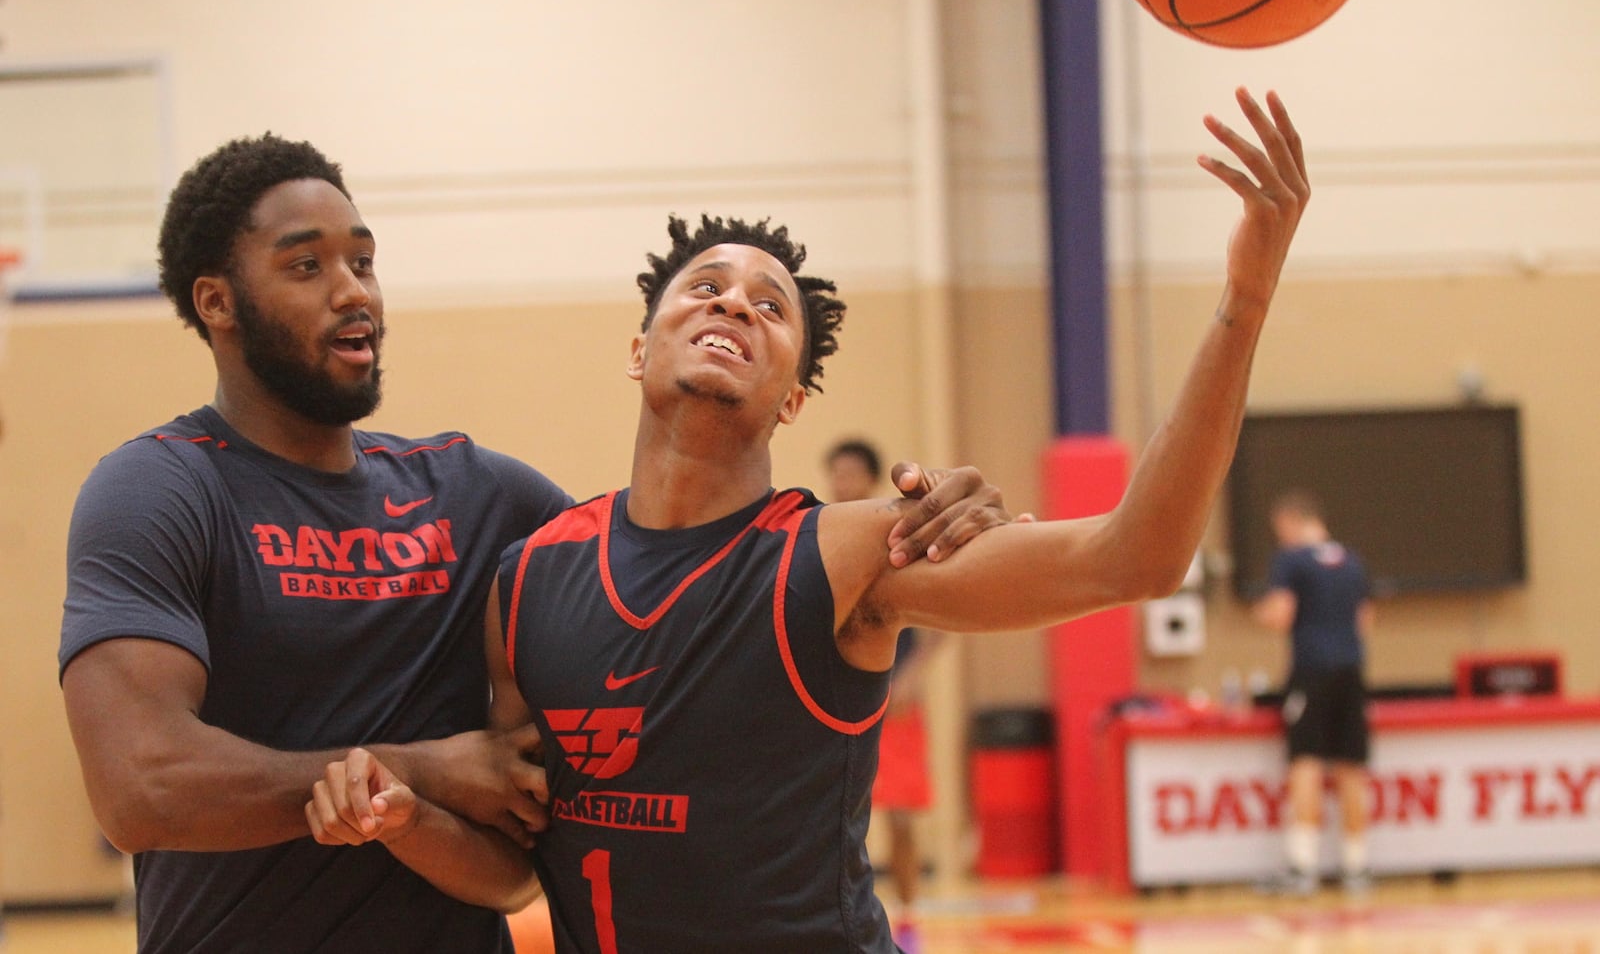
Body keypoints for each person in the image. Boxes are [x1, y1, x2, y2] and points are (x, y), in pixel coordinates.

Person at [316, 85, 1308, 952]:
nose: (734, 304)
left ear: (792, 398)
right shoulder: (529, 579)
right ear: (639, 347)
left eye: (770, 305)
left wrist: (1246, 299)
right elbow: (514, 867)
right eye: (705, 287)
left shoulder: (842, 554)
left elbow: (1129, 558)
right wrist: (404, 819)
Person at [58, 133, 1013, 954]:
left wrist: (937, 515)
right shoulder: (161, 488)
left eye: (364, 260)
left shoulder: (478, 493)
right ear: (218, 303)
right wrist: (422, 766)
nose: (355, 293)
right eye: (307, 266)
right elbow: (142, 788)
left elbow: (689, 584)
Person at [825, 438, 938, 947]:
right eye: (837, 472)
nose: (842, 481)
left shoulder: (898, 534)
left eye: (851, 472)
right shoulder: (824, 531)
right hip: (842, 699)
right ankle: (843, 917)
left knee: (901, 817)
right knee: (839, 818)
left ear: (870, 478)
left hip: (896, 702)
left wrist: (912, 676)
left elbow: (938, 618)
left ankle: (909, 918)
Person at [1251, 489, 1375, 896]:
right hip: (1352, 671)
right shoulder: (1353, 562)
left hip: (1311, 673)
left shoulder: (1292, 561)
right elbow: (1365, 622)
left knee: (1305, 761)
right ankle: (1356, 867)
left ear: (1289, 521)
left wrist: (1261, 613)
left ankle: (1302, 867)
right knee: (1350, 765)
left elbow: (1281, 614)